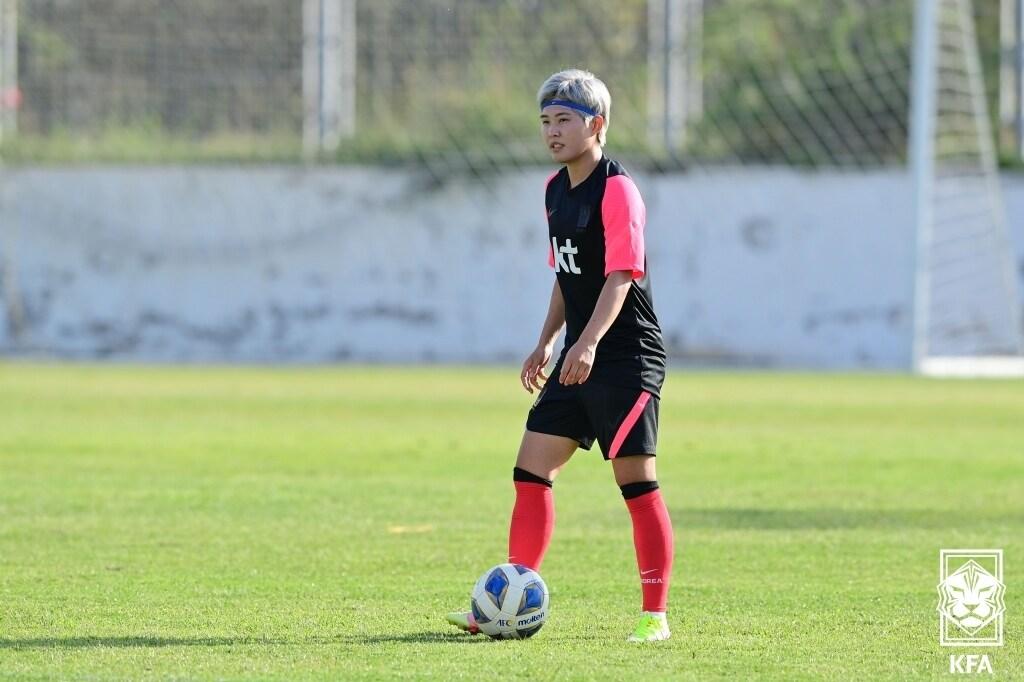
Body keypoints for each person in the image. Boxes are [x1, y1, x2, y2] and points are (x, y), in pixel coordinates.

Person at [447, 68, 674, 642]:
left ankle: (655, 618)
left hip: (625, 357)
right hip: (579, 349)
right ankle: (507, 604)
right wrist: (547, 339)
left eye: (565, 120)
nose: (552, 131)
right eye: (546, 121)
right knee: (531, 470)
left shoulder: (618, 190)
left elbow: (622, 273)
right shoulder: (554, 190)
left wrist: (589, 341)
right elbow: (566, 275)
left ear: (596, 125)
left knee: (636, 483)